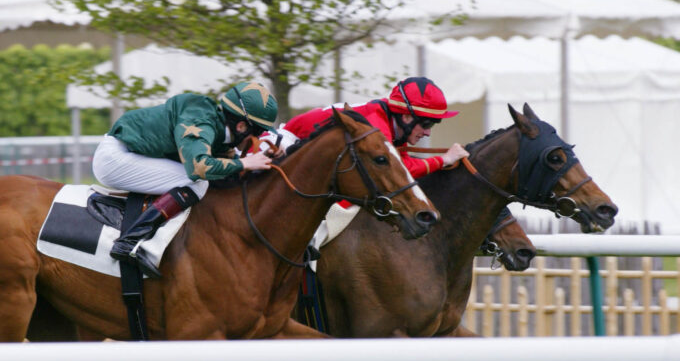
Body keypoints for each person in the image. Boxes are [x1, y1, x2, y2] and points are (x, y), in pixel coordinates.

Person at [92, 81, 279, 277]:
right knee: (198, 183)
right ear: (241, 126)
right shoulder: (201, 122)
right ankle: (130, 241)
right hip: (115, 159)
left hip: (132, 154)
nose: (261, 136)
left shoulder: (219, 131)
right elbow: (199, 167)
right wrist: (244, 164)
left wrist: (267, 159)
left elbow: (229, 168)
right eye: (259, 131)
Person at [275, 76, 469, 178]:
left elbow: (405, 163)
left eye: (433, 124)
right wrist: (444, 159)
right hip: (283, 145)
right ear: (407, 116)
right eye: (426, 123)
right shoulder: (376, 126)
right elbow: (398, 171)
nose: (427, 132)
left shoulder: (392, 124)